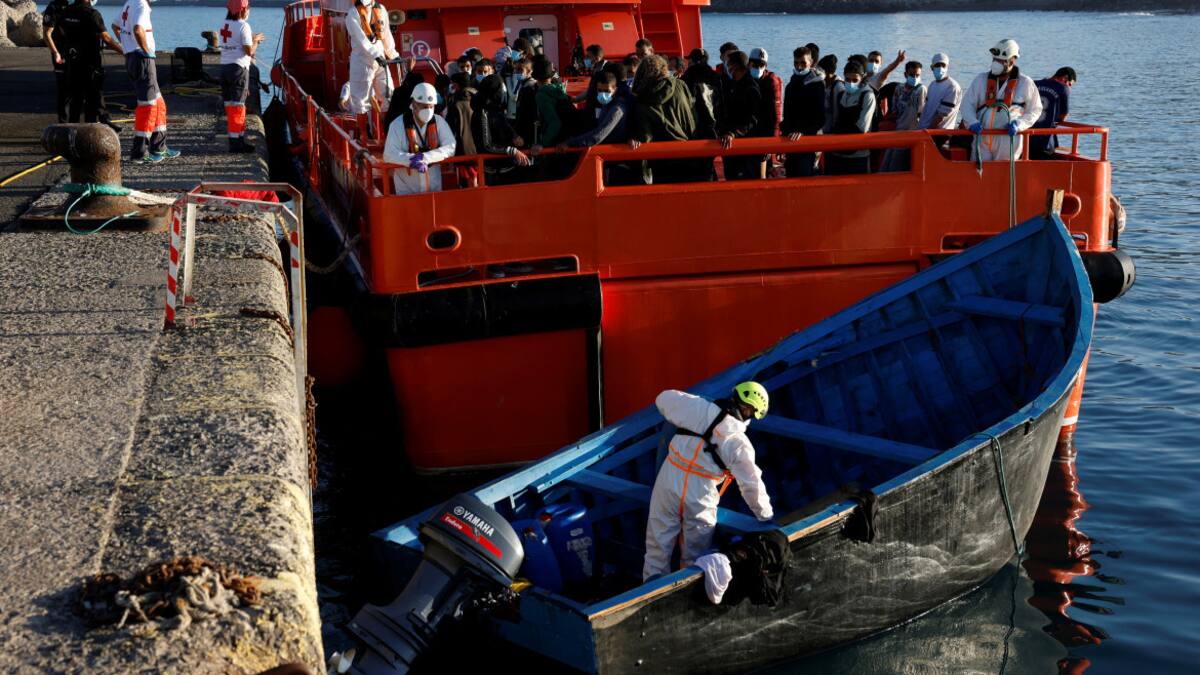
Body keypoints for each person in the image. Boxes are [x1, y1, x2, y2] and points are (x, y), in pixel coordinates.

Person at [642, 382, 774, 581]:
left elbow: (663, 398)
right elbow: (751, 485)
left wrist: (696, 410)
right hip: (701, 492)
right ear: (750, 413)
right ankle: (686, 593)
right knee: (695, 555)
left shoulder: (697, 407)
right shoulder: (739, 444)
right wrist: (765, 516)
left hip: (669, 479)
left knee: (656, 548)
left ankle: (649, 593)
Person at [962, 39, 1043, 162]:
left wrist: (1020, 124)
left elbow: (1035, 110)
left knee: (1003, 175)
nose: (996, 63)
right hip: (982, 137)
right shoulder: (981, 80)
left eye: (1000, 60)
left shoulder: (1025, 83)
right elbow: (967, 105)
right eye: (994, 59)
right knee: (978, 174)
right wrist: (972, 122)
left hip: (1008, 140)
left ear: (1012, 60)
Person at [119, 0, 178, 162]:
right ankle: (139, 153)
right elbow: (138, 30)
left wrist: (126, 47)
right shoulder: (141, 6)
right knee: (148, 106)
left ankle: (159, 146)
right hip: (142, 60)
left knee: (159, 103)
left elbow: (116, 26)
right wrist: (147, 52)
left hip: (134, 57)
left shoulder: (129, 3)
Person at [628, 54, 697, 184]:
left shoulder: (642, 100)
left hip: (663, 157)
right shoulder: (680, 85)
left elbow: (645, 136)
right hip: (689, 148)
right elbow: (692, 113)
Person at [383, 83, 455, 195]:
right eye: (424, 106)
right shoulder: (397, 125)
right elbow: (389, 154)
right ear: (413, 104)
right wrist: (410, 160)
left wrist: (426, 157)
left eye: (431, 107)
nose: (428, 110)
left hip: (433, 187)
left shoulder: (439, 122)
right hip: (407, 189)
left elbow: (450, 147)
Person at [59, 0, 123, 126]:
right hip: (90, 62)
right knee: (92, 98)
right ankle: (90, 131)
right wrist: (124, 52)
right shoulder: (92, 14)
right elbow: (106, 38)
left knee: (75, 99)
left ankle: (72, 132)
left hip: (73, 60)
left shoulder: (66, 11)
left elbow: (61, 28)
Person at [218, 0, 263, 153]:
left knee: (230, 105)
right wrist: (255, 40)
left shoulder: (224, 24)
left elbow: (233, 42)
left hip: (224, 68)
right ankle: (237, 143)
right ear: (243, 10)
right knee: (238, 106)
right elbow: (249, 51)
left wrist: (249, 39)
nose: (249, 11)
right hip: (238, 70)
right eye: (248, 8)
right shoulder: (244, 25)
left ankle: (234, 139)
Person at [470, 74, 531, 185]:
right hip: (495, 174)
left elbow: (505, 126)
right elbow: (487, 145)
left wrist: (515, 136)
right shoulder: (482, 113)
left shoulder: (496, 110)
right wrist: (513, 151)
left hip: (509, 169)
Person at [344, 0, 398, 118]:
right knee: (361, 101)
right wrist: (376, 55)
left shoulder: (381, 9)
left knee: (388, 94)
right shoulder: (352, 15)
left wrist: (392, 53)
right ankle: (364, 134)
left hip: (380, 61)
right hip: (361, 61)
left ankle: (386, 129)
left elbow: (386, 32)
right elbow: (361, 39)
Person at [780, 45, 825, 177]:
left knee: (804, 176)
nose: (799, 67)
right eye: (796, 63)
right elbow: (786, 114)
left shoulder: (817, 85)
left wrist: (803, 132)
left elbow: (820, 118)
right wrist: (785, 132)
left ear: (810, 63)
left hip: (807, 142)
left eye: (803, 63)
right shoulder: (791, 84)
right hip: (790, 140)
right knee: (791, 175)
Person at [717, 50, 761, 181]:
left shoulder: (751, 88)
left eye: (728, 64)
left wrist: (733, 133)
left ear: (733, 66)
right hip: (729, 144)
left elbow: (753, 120)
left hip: (743, 147)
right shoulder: (732, 85)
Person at [827, 61, 876, 175]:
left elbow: (862, 128)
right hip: (838, 152)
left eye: (855, 80)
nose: (850, 83)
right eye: (847, 80)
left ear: (862, 78)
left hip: (858, 154)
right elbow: (836, 120)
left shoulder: (867, 96)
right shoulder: (842, 95)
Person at [879, 60, 926, 172]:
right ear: (905, 74)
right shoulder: (899, 88)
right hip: (897, 131)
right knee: (885, 165)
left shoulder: (921, 90)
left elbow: (921, 112)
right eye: (911, 75)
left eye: (917, 75)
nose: (914, 77)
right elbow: (895, 110)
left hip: (911, 134)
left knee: (895, 166)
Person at [748, 47, 782, 178]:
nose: (757, 67)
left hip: (764, 134)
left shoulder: (772, 81)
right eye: (754, 64)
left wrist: (772, 143)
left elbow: (776, 115)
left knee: (761, 174)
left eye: (761, 65)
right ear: (749, 63)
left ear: (765, 66)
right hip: (748, 132)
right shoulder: (746, 79)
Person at [1030, 67, 1075, 159]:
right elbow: (1063, 116)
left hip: (1026, 138)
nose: (1069, 88)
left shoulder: (1033, 84)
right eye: (1070, 84)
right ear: (1064, 78)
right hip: (1046, 140)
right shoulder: (1063, 88)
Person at [42, 0, 71, 123]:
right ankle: (64, 123)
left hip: (76, 51)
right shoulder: (54, 7)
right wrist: (55, 52)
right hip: (61, 51)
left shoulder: (77, 5)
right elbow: (46, 34)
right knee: (63, 88)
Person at [682, 48, 721, 140]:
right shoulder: (714, 75)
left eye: (691, 61)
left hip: (694, 118)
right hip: (713, 120)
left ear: (698, 61)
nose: (689, 64)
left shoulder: (690, 74)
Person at [918, 52, 963, 131]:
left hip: (940, 132)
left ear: (947, 67)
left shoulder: (952, 86)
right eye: (937, 65)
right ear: (932, 67)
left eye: (943, 65)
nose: (940, 68)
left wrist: (927, 131)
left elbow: (941, 116)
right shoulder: (932, 84)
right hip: (925, 129)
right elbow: (926, 109)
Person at [445, 71, 477, 157]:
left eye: (452, 84)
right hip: (480, 150)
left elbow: (449, 128)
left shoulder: (456, 104)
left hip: (463, 152)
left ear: (457, 85)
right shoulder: (479, 99)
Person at [818, 54, 842, 134]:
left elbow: (838, 112)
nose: (818, 73)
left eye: (820, 70)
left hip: (832, 130)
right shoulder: (823, 83)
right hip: (824, 127)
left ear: (827, 72)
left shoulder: (838, 87)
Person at [505, 56, 533, 122]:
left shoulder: (530, 84)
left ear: (529, 71)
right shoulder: (519, 79)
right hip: (513, 115)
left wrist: (508, 78)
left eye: (520, 69)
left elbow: (514, 97)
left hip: (521, 117)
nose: (517, 72)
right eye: (516, 69)